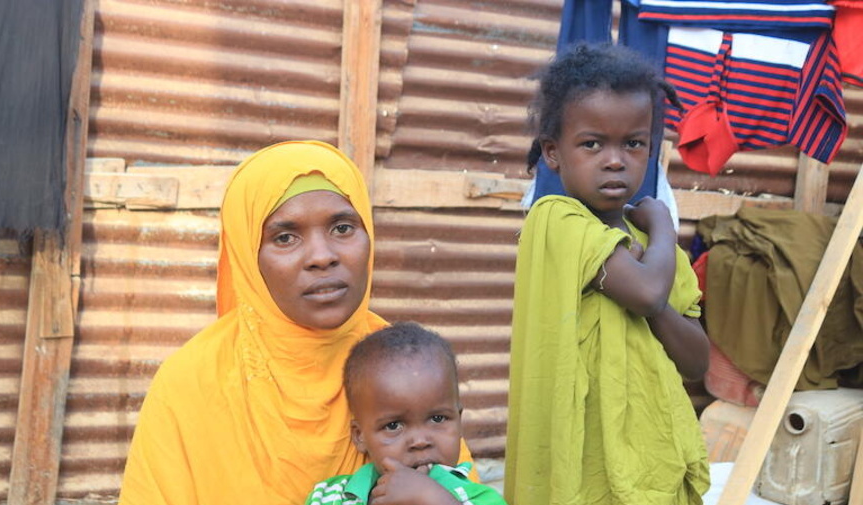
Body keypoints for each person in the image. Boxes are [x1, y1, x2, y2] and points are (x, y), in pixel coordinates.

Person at [118, 140, 476, 505]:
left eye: (342, 228)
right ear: (248, 257)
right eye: (285, 237)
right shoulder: (192, 384)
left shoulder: (405, 365)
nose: (322, 257)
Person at [505, 43, 711, 505]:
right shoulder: (556, 220)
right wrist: (663, 228)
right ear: (554, 153)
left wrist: (656, 276)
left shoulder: (658, 255)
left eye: (633, 143)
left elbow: (696, 362)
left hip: (652, 458)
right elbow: (643, 293)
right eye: (592, 143)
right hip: (582, 460)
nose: (615, 160)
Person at [306, 321, 506, 505]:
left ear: (459, 422)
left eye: (438, 418)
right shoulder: (330, 496)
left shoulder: (480, 499)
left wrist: (434, 499)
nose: (420, 441)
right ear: (360, 436)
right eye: (393, 425)